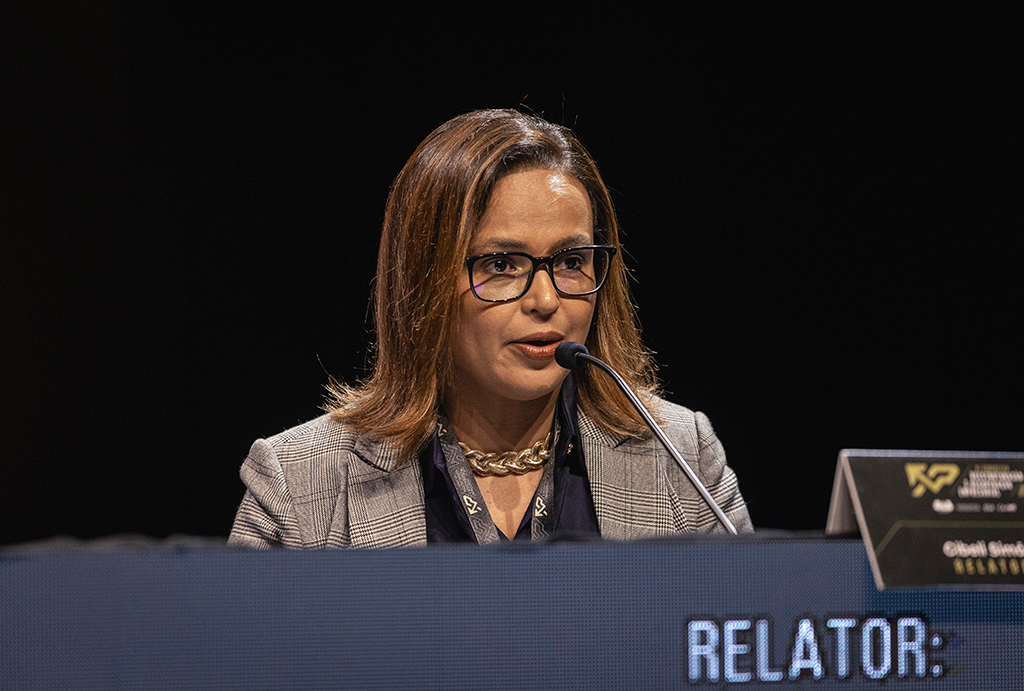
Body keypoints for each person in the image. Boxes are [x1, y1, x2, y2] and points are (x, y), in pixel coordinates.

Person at [228, 109, 752, 548]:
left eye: (571, 261)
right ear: (424, 280)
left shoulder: (681, 457)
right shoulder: (297, 485)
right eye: (501, 265)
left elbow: (751, 629)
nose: (546, 301)